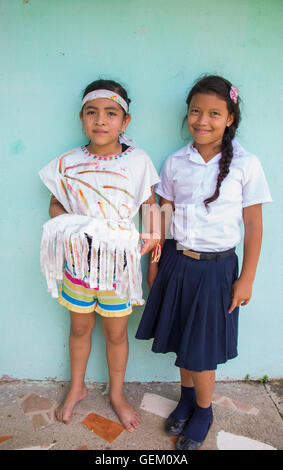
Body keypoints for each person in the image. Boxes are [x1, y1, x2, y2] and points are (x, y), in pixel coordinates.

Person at [136, 75, 272, 449]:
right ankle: (185, 399)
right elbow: (162, 210)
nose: (202, 120)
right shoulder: (177, 161)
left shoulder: (246, 163)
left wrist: (247, 278)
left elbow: (254, 224)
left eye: (214, 113)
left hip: (218, 270)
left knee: (203, 350)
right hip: (178, 263)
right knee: (183, 337)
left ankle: (205, 410)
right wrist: (154, 255)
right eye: (196, 111)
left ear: (230, 118)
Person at [39, 79, 160, 432]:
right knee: (79, 328)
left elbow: (150, 207)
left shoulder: (137, 161)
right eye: (92, 113)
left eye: (111, 113)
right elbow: (54, 204)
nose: (101, 120)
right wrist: (78, 225)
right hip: (78, 263)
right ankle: (77, 387)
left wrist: (149, 240)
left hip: (118, 269)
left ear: (126, 121)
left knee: (116, 334)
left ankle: (117, 394)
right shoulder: (68, 162)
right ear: (81, 118)